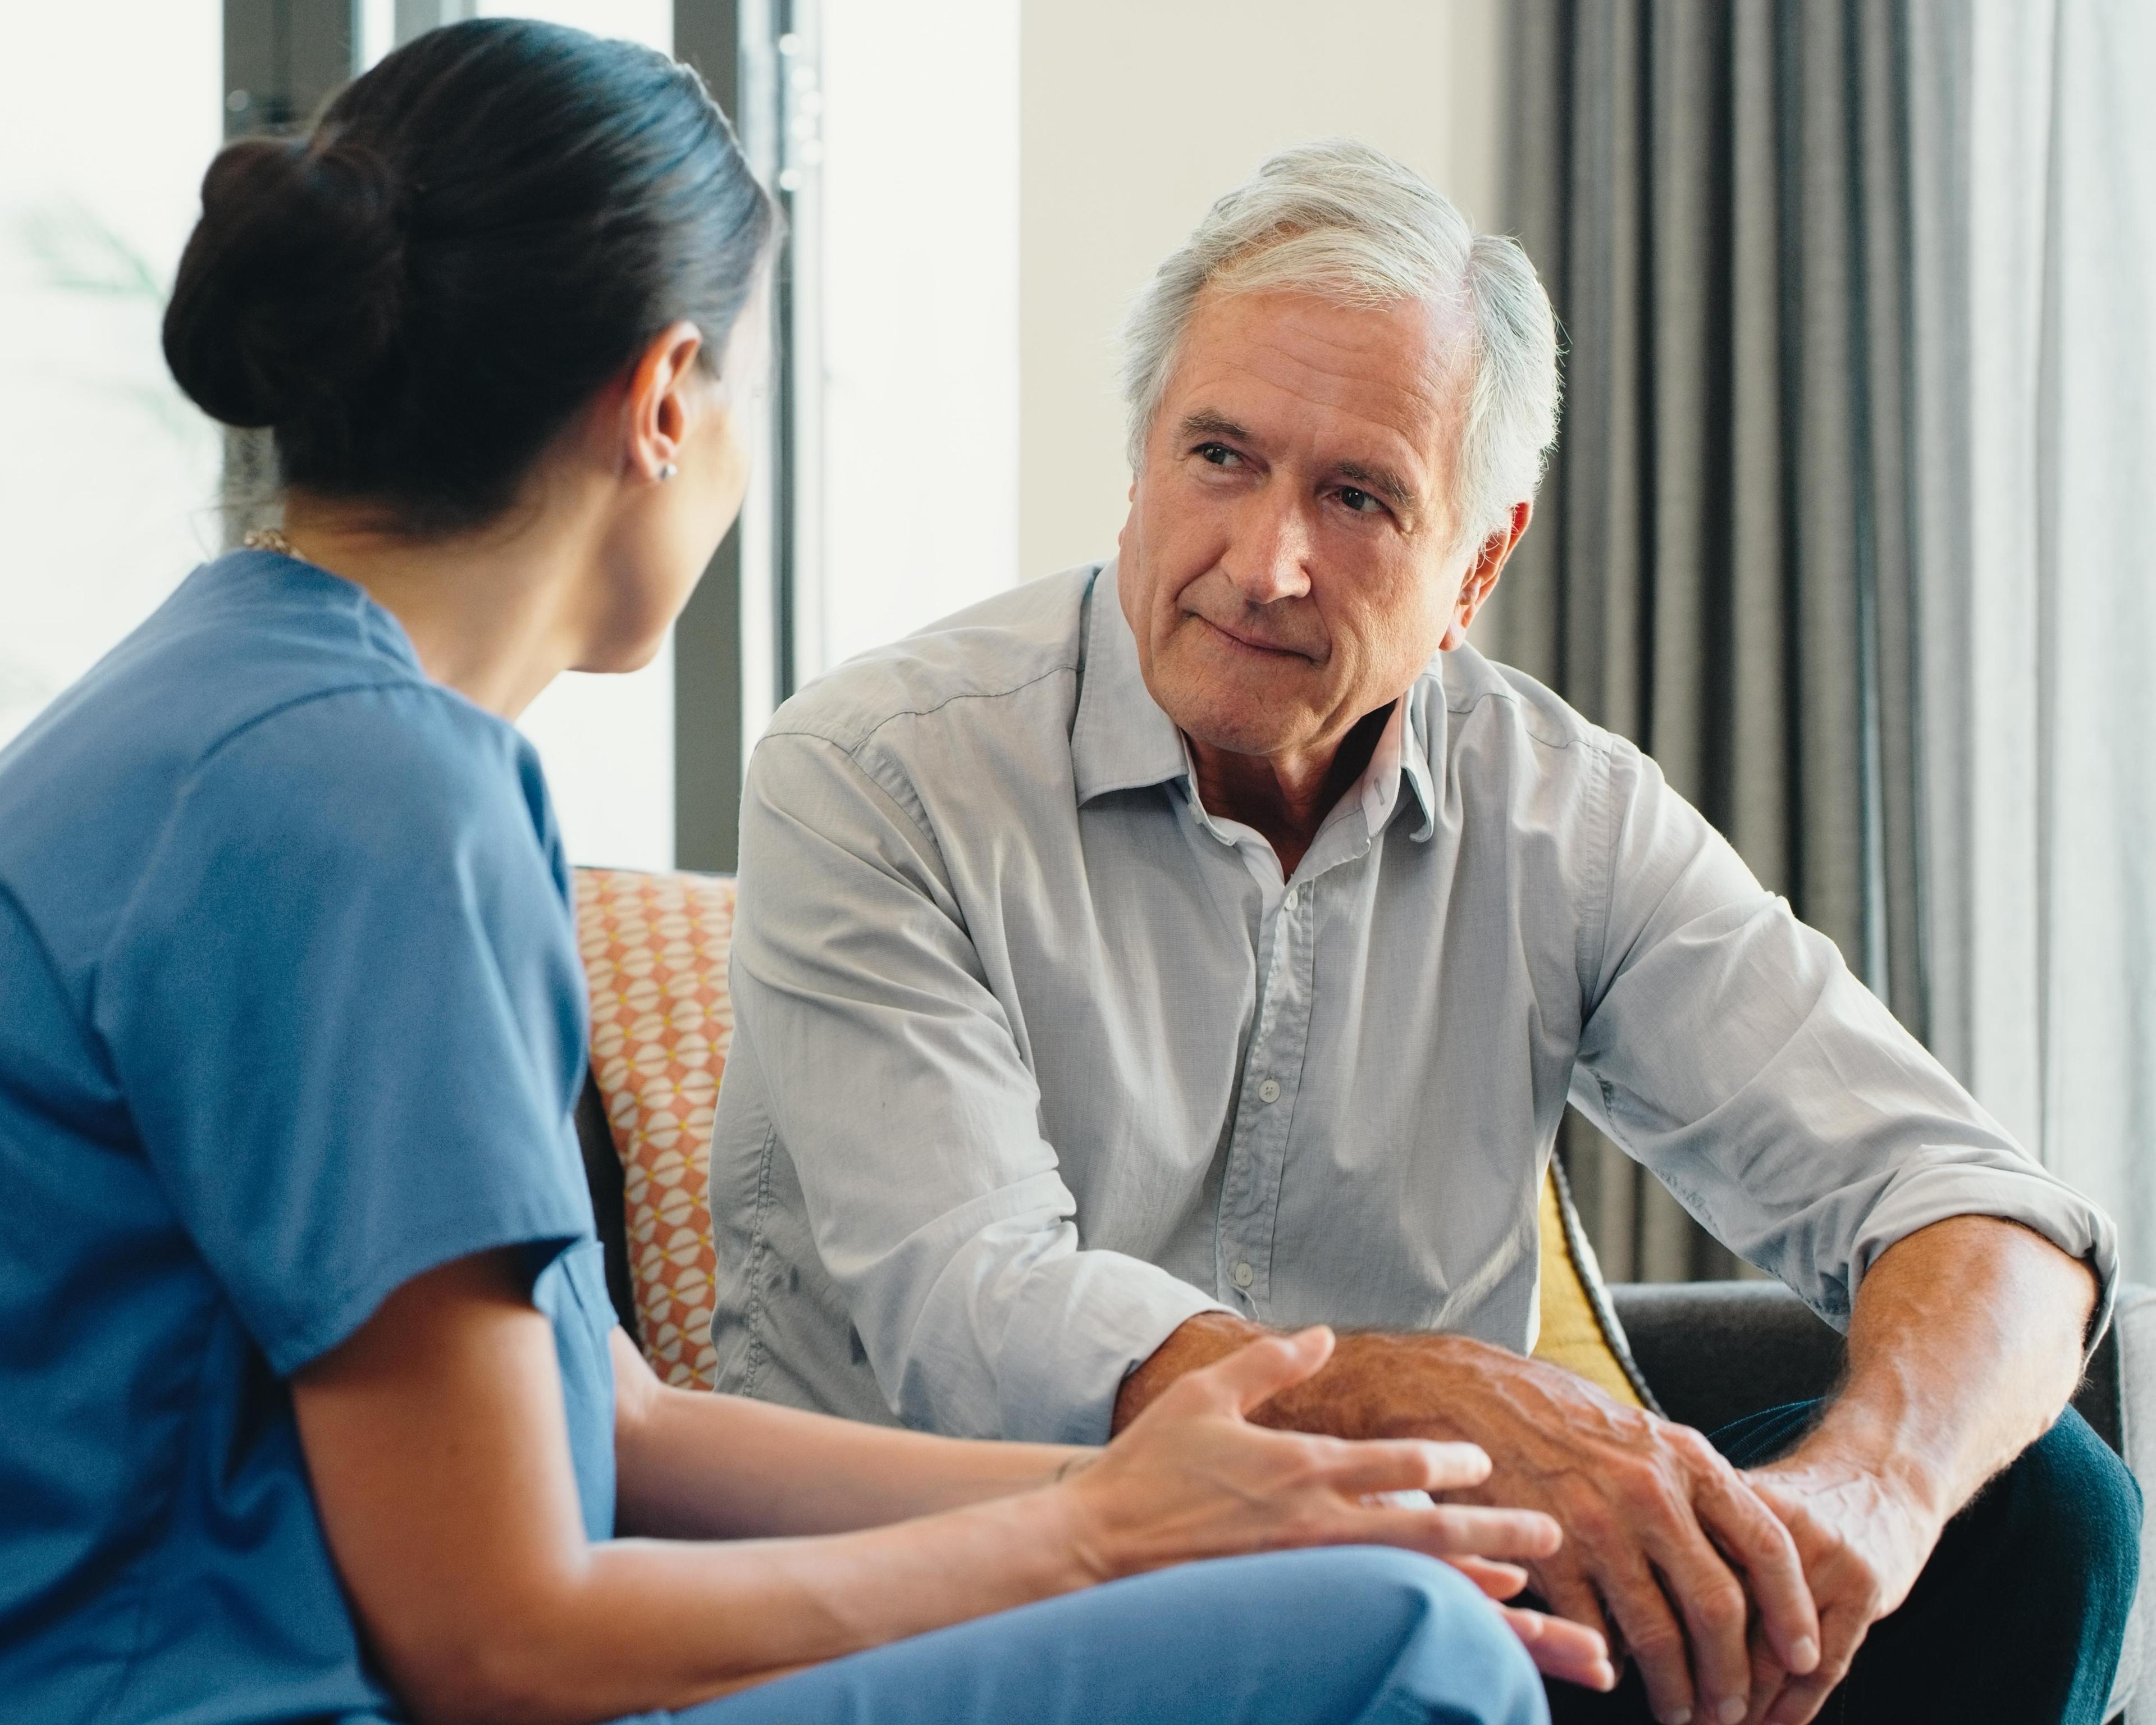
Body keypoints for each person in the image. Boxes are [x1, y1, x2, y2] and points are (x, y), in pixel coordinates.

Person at [0, 30, 1614, 1725]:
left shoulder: (245, 705)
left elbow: (613, 1429)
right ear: (664, 399)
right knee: (1405, 1650)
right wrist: (1098, 1545)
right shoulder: (371, 792)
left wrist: (1192, 1505)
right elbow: (496, 1639)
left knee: (1342, 1589)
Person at [707, 139, 2141, 1725]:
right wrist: (1416, 1394)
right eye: (1221, 459)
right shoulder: (872, 775)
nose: (1267, 565)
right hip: (994, 1593)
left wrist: (1865, 1498)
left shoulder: (1564, 813)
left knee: (2044, 1510)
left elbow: (1981, 1209)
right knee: (1406, 1625)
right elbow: (970, 1309)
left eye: (1360, 496)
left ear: (1478, 562)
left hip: (1443, 1618)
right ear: (1138, 466)